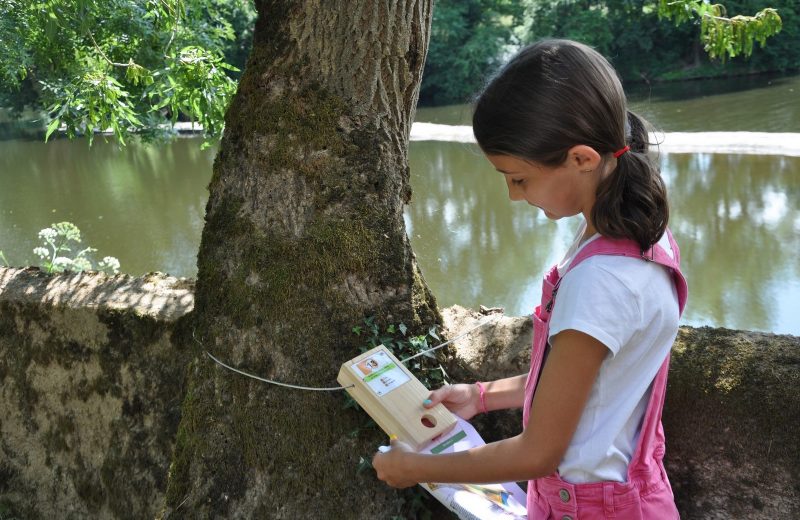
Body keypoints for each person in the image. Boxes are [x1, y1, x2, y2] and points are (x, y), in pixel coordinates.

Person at [372, 39, 689, 519]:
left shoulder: (601, 281)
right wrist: (480, 397)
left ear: (582, 158)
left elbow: (538, 453)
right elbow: (587, 383)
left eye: (518, 178)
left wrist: (415, 467)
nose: (513, 196)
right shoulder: (639, 236)